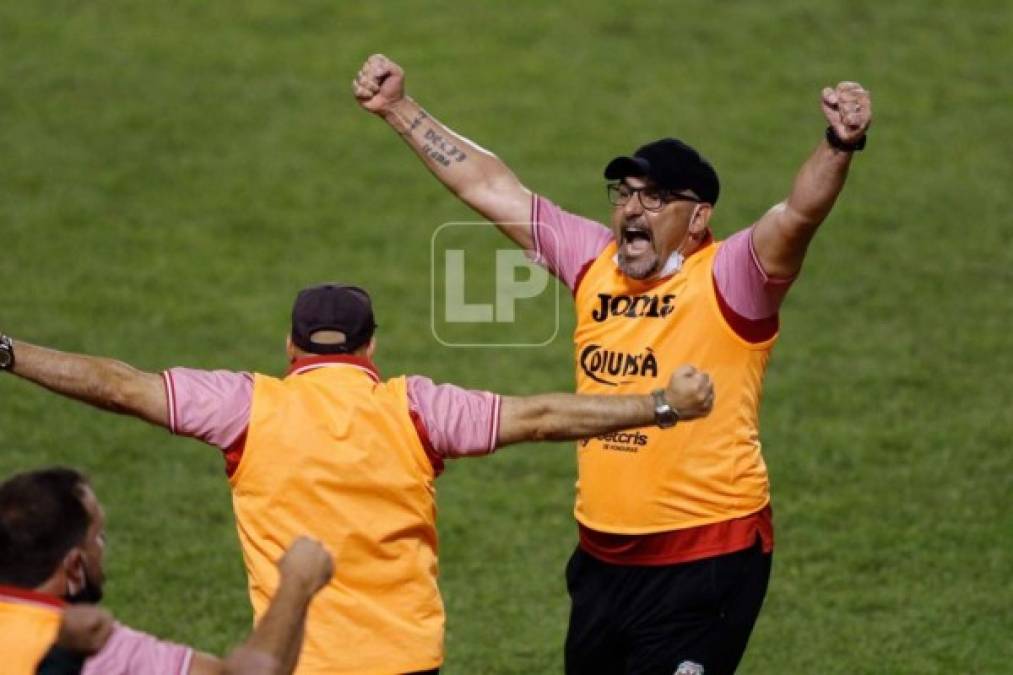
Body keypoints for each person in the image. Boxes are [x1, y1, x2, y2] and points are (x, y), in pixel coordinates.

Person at [353, 53, 873, 674]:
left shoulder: (732, 277)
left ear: (698, 218)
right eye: (624, 195)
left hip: (704, 559)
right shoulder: (592, 260)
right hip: (603, 563)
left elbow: (799, 214)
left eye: (654, 199)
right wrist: (398, 109)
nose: (631, 211)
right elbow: (490, 187)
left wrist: (840, 144)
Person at [0, 282, 715, 674]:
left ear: (291, 345)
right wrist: (659, 404)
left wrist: (9, 350)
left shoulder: (246, 406)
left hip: (298, 660)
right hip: (405, 664)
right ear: (372, 346)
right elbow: (536, 415)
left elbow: (122, 385)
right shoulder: (417, 407)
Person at [0, 466, 334, 675]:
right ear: (74, 566)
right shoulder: (96, 648)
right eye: (98, 538)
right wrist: (297, 583)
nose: (103, 548)